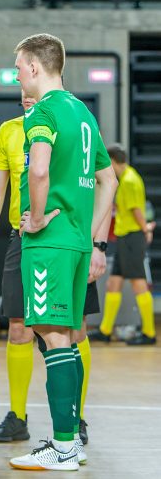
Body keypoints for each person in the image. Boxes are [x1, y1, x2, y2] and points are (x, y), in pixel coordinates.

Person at [0, 92, 110, 446]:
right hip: (24, 239)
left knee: (74, 327)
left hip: (65, 238)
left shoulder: (70, 123)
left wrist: (98, 244)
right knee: (18, 327)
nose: (26, 89)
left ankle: (74, 418)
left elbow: (101, 183)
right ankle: (17, 416)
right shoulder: (9, 131)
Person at [8, 33, 117, 471]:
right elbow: (108, 180)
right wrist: (90, 236)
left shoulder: (45, 112)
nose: (16, 75)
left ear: (35, 67)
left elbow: (38, 168)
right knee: (67, 340)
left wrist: (34, 217)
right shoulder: (83, 113)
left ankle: (64, 447)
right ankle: (71, 441)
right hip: (74, 243)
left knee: (52, 339)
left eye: (18, 67)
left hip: (48, 243)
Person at [89, 145, 156, 345]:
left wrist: (145, 229)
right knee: (113, 283)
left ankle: (149, 333)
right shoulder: (128, 177)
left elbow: (136, 210)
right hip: (124, 238)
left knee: (138, 284)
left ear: (113, 160)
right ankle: (105, 330)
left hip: (132, 237)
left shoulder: (129, 181)